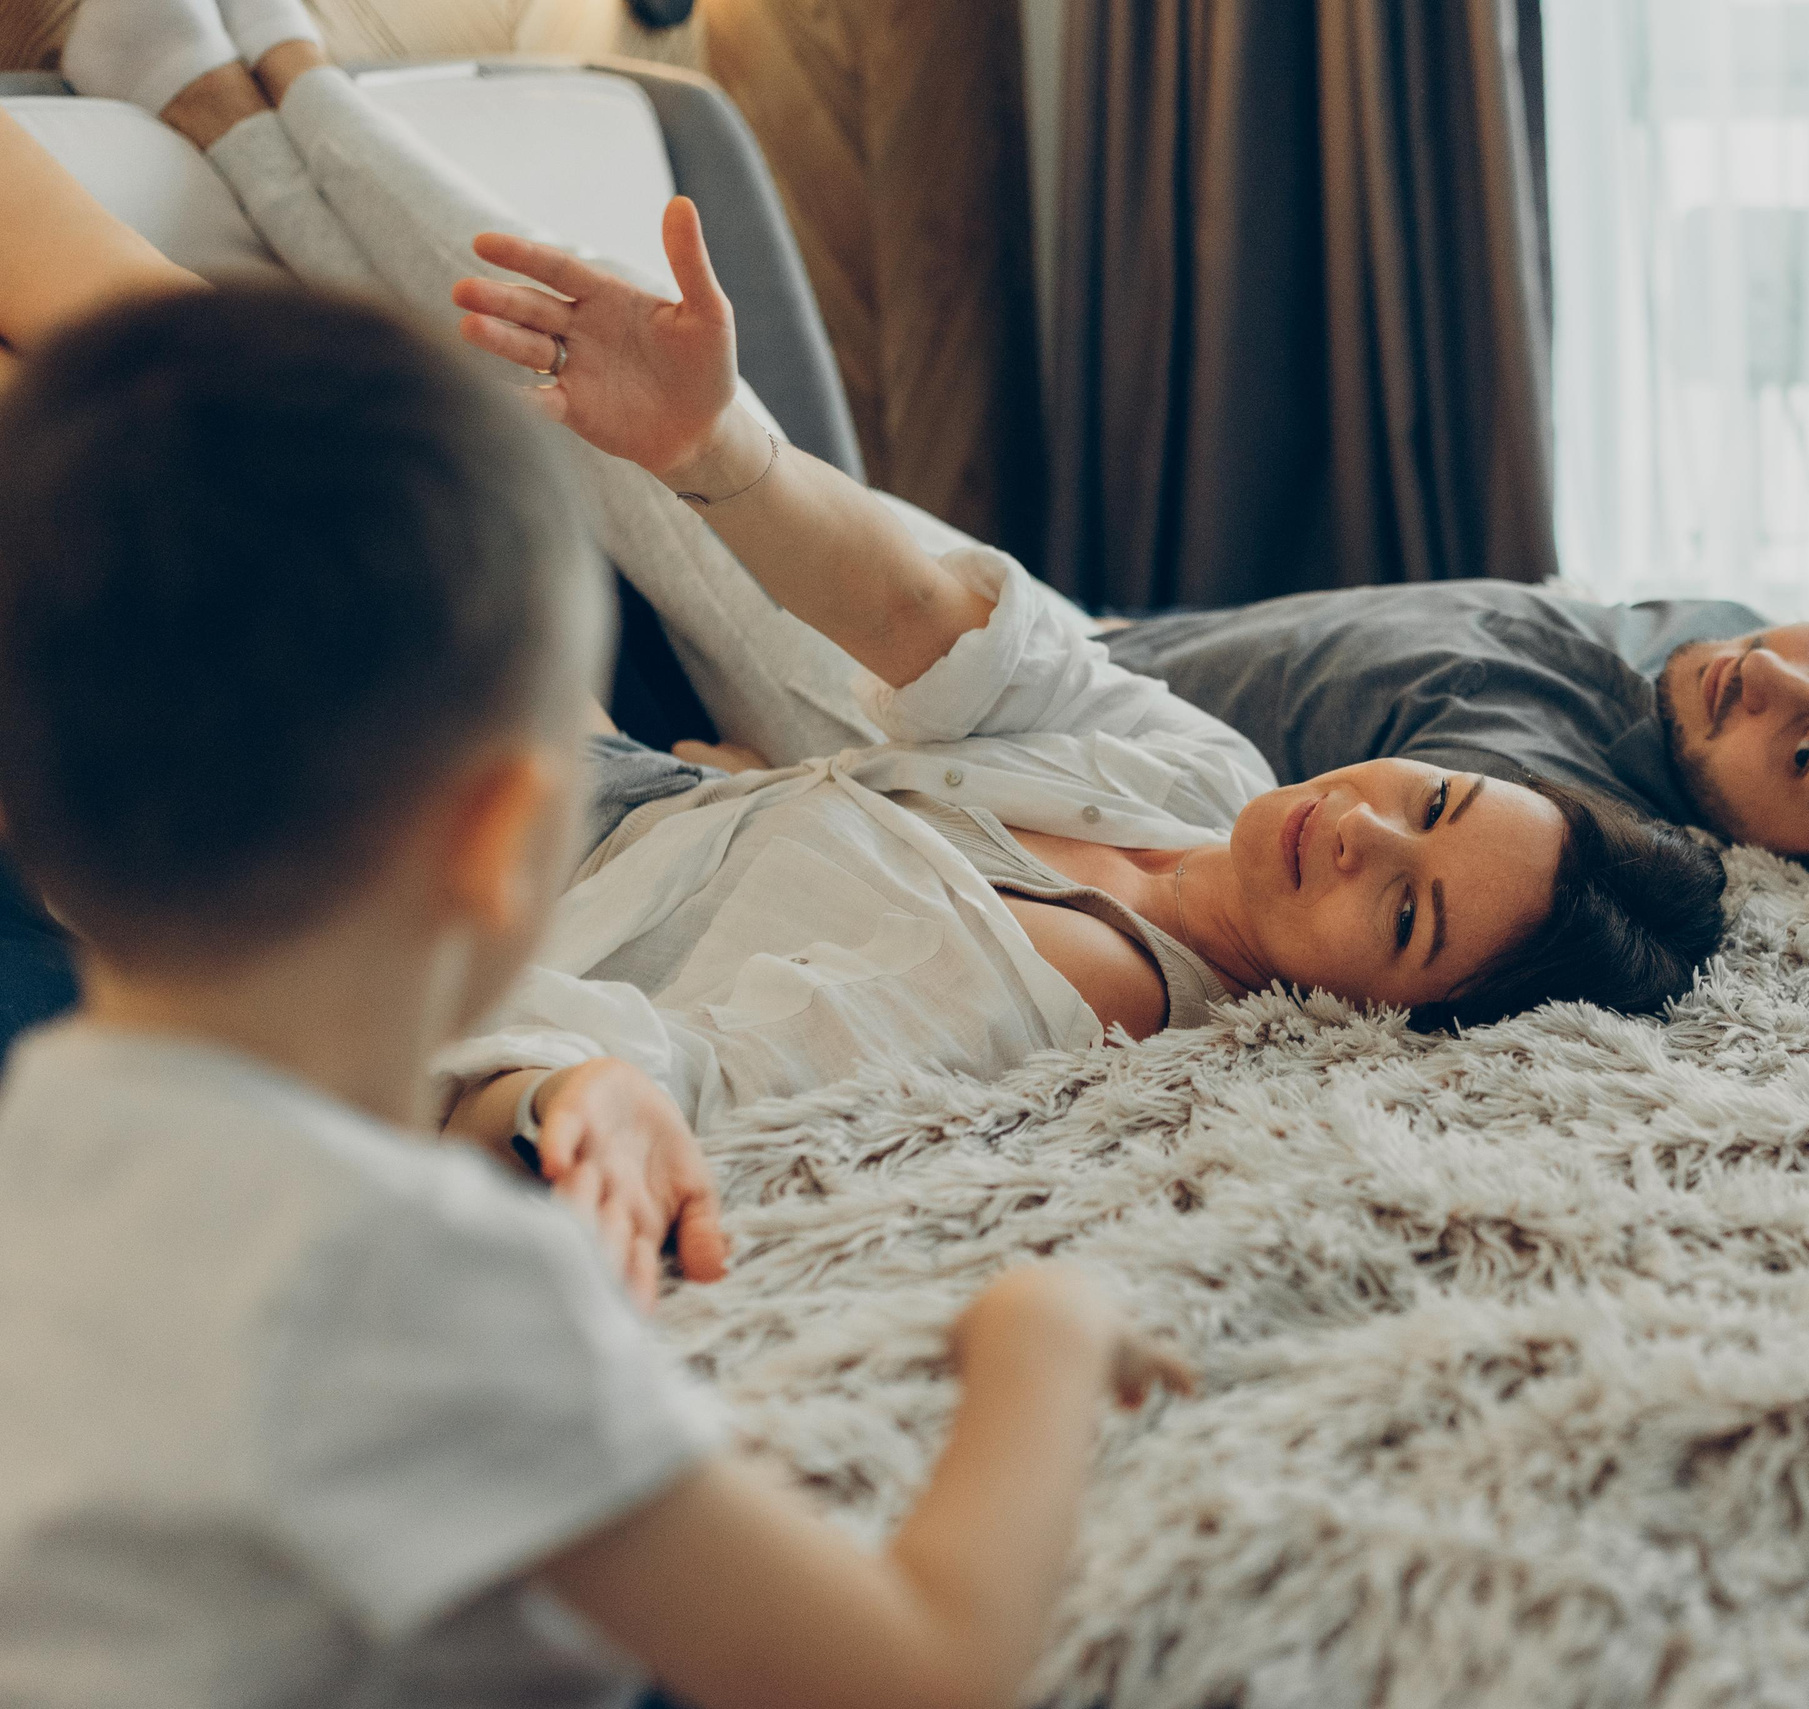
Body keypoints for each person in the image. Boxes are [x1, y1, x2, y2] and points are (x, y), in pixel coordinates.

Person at [16, 6, 1727, 1155]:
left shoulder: (1091, 996)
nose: (1364, 832)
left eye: (1406, 911)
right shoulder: (1207, 781)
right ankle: (216, 75)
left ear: (1387, 1020)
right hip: (576, 765)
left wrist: (555, 1107)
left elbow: (683, 1064)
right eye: (1428, 799)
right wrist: (717, 447)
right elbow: (967, 633)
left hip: (390, 863)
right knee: (282, 404)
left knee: (210, 416)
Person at [0, 278, 1192, 1709]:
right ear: (504, 838)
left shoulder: (42, 1156)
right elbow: (918, 1671)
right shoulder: (420, 1275)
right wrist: (1042, 1336)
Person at [1098, 576, 1809, 885]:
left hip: (1032, 710)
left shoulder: (1529, 800)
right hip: (1111, 625)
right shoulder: (1720, 633)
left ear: (1793, 859)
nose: (1770, 673)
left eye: (1802, 750)